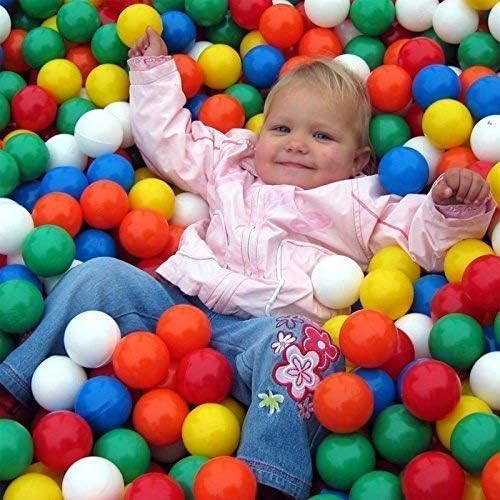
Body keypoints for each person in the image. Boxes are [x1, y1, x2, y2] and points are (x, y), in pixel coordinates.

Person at [0, 27, 495, 499]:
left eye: (322, 137)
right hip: (178, 307)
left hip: (263, 337)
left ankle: (269, 476)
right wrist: (153, 76)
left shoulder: (358, 204)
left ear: (358, 161)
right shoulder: (231, 167)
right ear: (258, 137)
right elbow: (171, 143)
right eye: (281, 128)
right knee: (98, 276)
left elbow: (421, 238)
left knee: (307, 347)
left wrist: (454, 206)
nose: (297, 143)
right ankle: (14, 386)